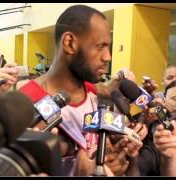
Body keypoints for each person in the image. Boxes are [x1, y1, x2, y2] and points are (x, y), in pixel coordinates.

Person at [18, 5, 142, 176]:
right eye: (100, 46)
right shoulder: (25, 103)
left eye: (109, 47)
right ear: (69, 43)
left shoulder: (99, 95)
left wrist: (119, 158)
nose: (108, 56)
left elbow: (109, 152)